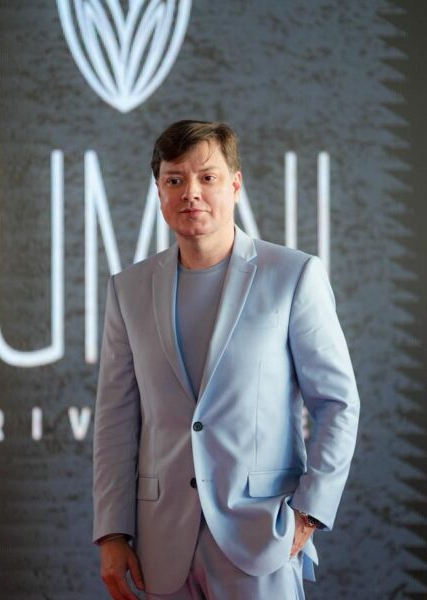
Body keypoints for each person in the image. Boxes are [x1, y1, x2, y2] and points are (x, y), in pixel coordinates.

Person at [92, 120, 360, 600]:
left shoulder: (294, 275)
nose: (191, 192)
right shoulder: (127, 289)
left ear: (235, 185)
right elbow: (115, 419)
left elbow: (338, 403)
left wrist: (310, 513)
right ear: (159, 191)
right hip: (160, 546)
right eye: (175, 179)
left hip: (262, 537)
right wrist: (112, 533)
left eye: (207, 177)